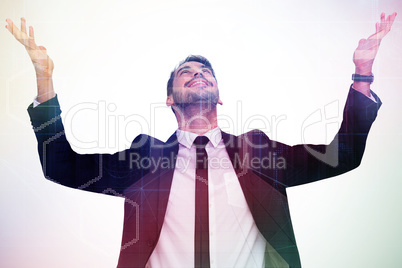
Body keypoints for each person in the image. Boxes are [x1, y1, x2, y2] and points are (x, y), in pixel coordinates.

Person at [5, 12, 397, 268]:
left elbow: (342, 155)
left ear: (219, 94)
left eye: (205, 71)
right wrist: (44, 82)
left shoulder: (257, 152)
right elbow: (60, 166)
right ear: (170, 98)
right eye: (186, 73)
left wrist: (362, 75)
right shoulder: (145, 157)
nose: (198, 74)